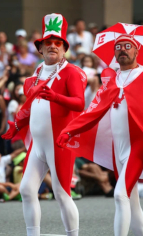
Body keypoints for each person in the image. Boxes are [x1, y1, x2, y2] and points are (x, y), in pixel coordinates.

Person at [57, 27, 143, 235]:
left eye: (127, 46)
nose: (122, 50)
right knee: (132, 201)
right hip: (118, 147)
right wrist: (69, 130)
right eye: (118, 47)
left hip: (138, 146)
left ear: (137, 50)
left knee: (120, 195)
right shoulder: (110, 80)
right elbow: (92, 111)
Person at [1, 13, 85, 236]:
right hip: (37, 145)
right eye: (49, 42)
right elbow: (29, 108)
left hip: (59, 143)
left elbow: (79, 103)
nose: (53, 46)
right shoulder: (36, 74)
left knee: (62, 193)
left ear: (64, 48)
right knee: (27, 190)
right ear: (40, 48)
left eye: (58, 43)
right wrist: (16, 126)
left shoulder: (71, 72)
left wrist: (55, 97)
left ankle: (72, 235)